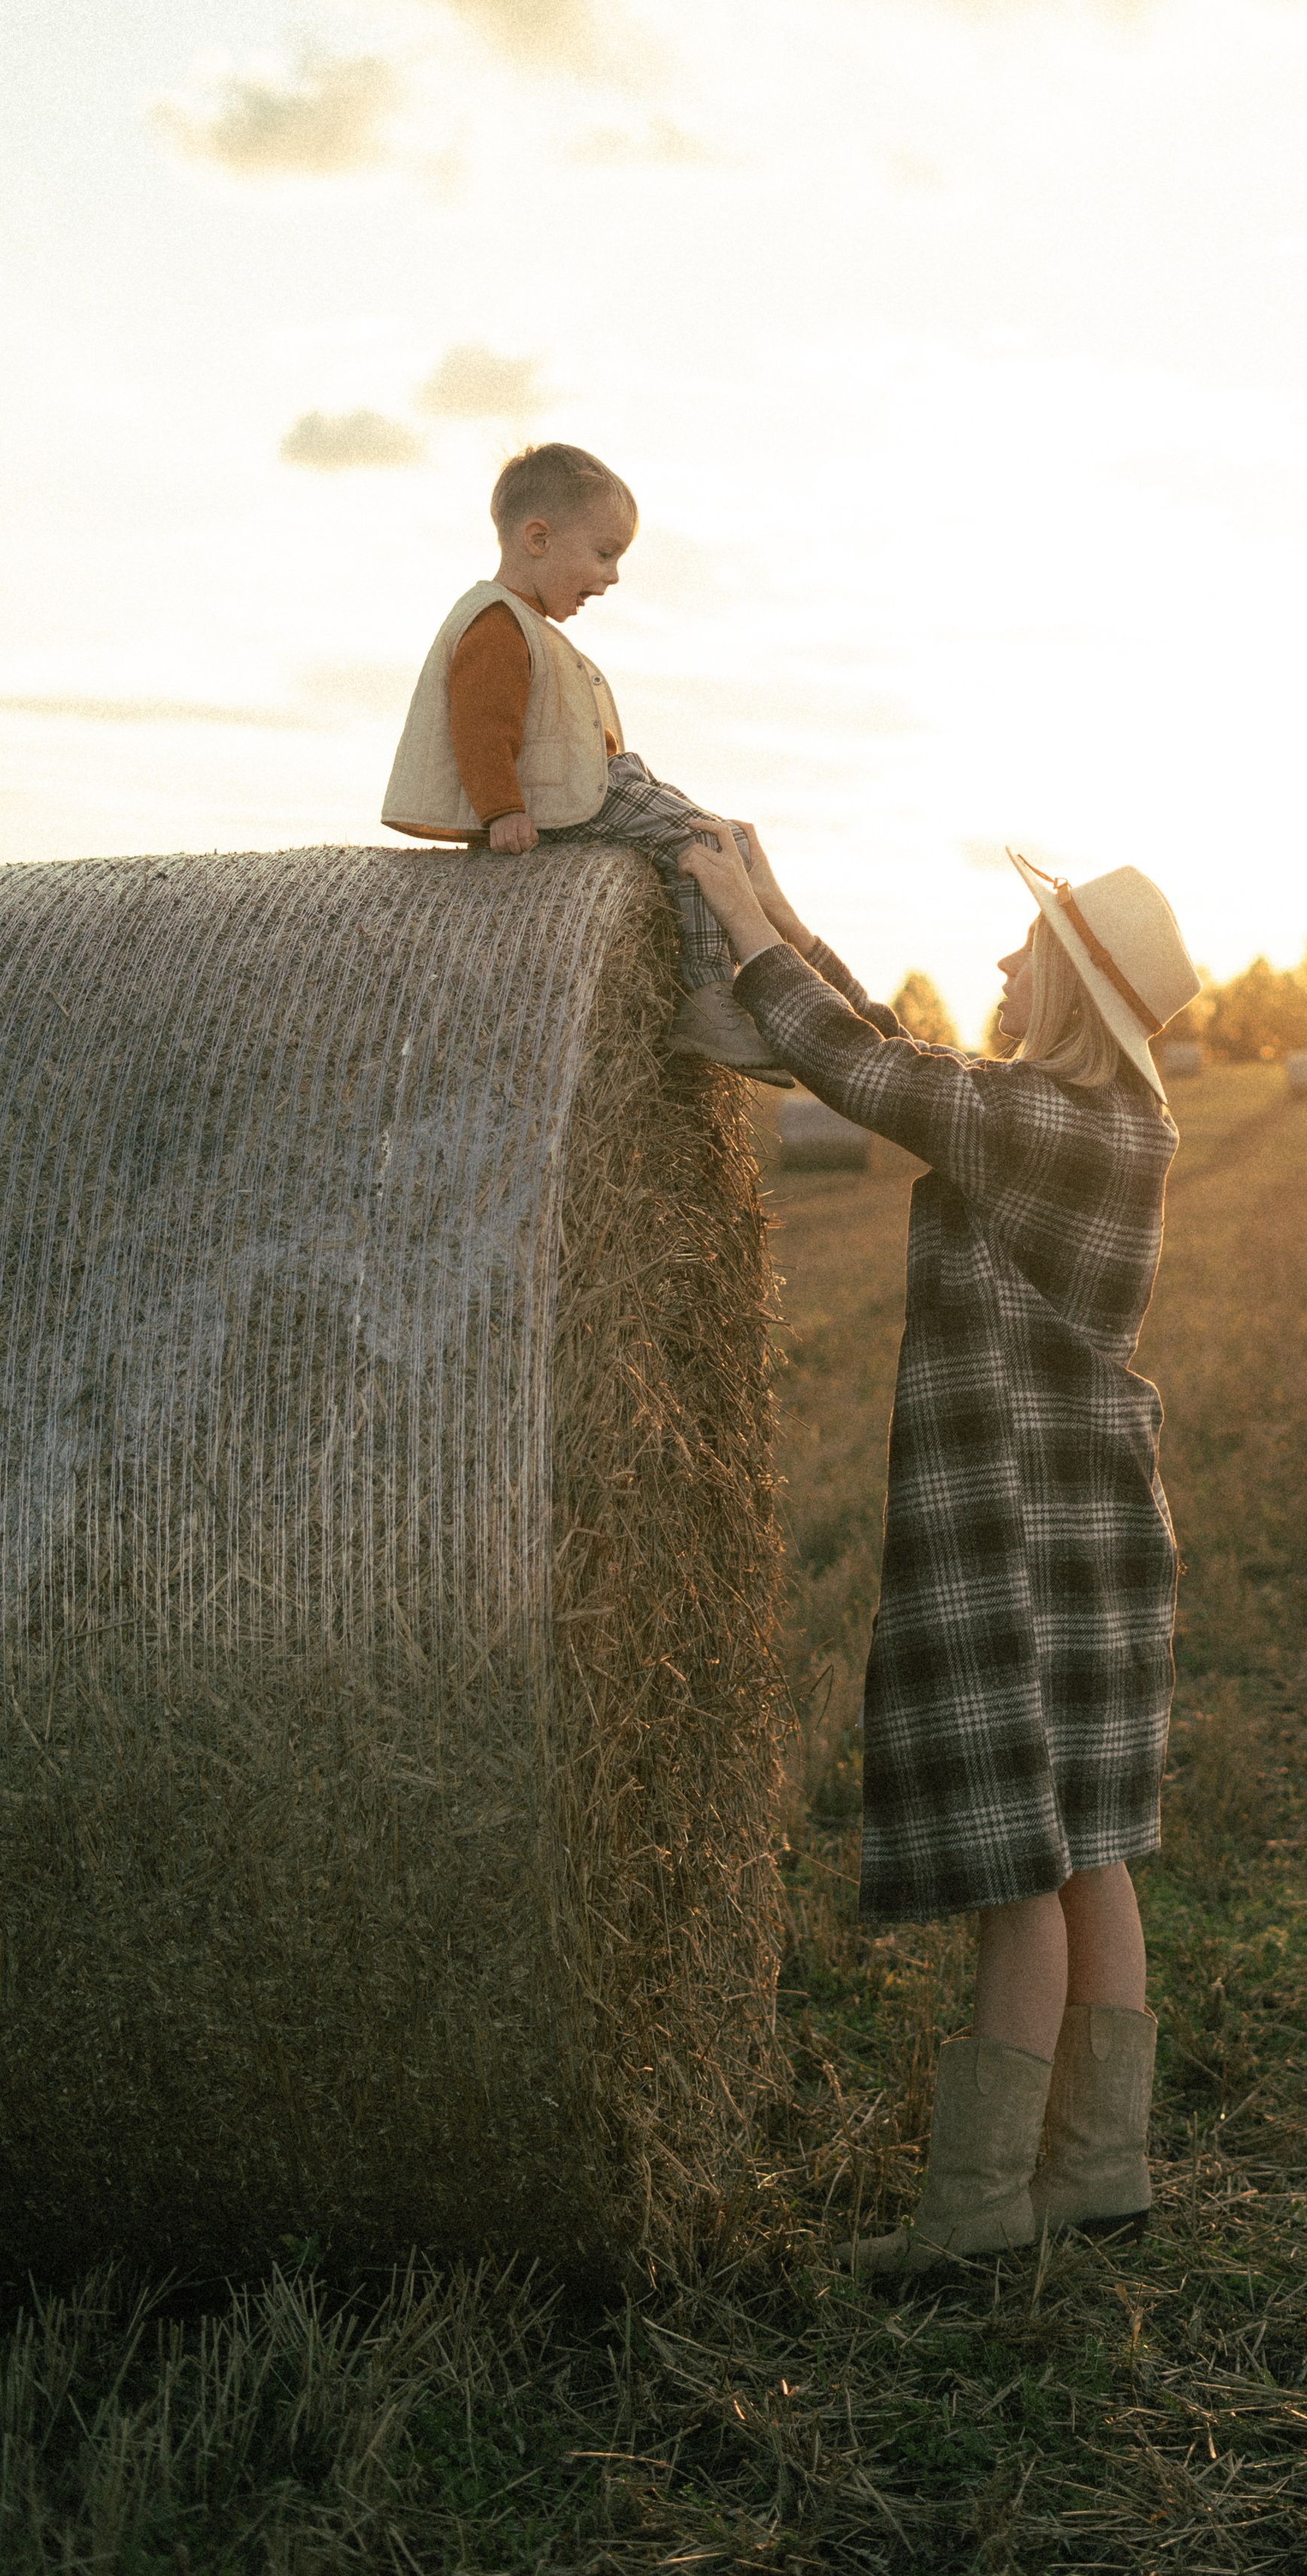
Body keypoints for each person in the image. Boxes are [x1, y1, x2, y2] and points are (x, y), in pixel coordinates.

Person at [678, 816, 1201, 2274]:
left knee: (1016, 1883)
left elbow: (861, 1075)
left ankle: (974, 2211)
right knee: (1092, 1852)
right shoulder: (1097, 1124)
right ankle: (1096, 2168)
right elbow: (898, 1058)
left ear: (1075, 986)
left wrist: (737, 919)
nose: (1001, 955)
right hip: (1096, 1526)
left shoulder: (1046, 1127)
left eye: (1028, 943)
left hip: (1020, 1530)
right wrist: (770, 908)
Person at [382, 441, 790, 1085]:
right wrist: (503, 810)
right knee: (707, 840)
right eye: (605, 554)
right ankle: (711, 997)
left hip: (596, 786)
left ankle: (723, 989)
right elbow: (481, 727)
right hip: (568, 802)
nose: (613, 577)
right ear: (538, 538)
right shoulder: (496, 623)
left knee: (724, 839)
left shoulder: (529, 624)